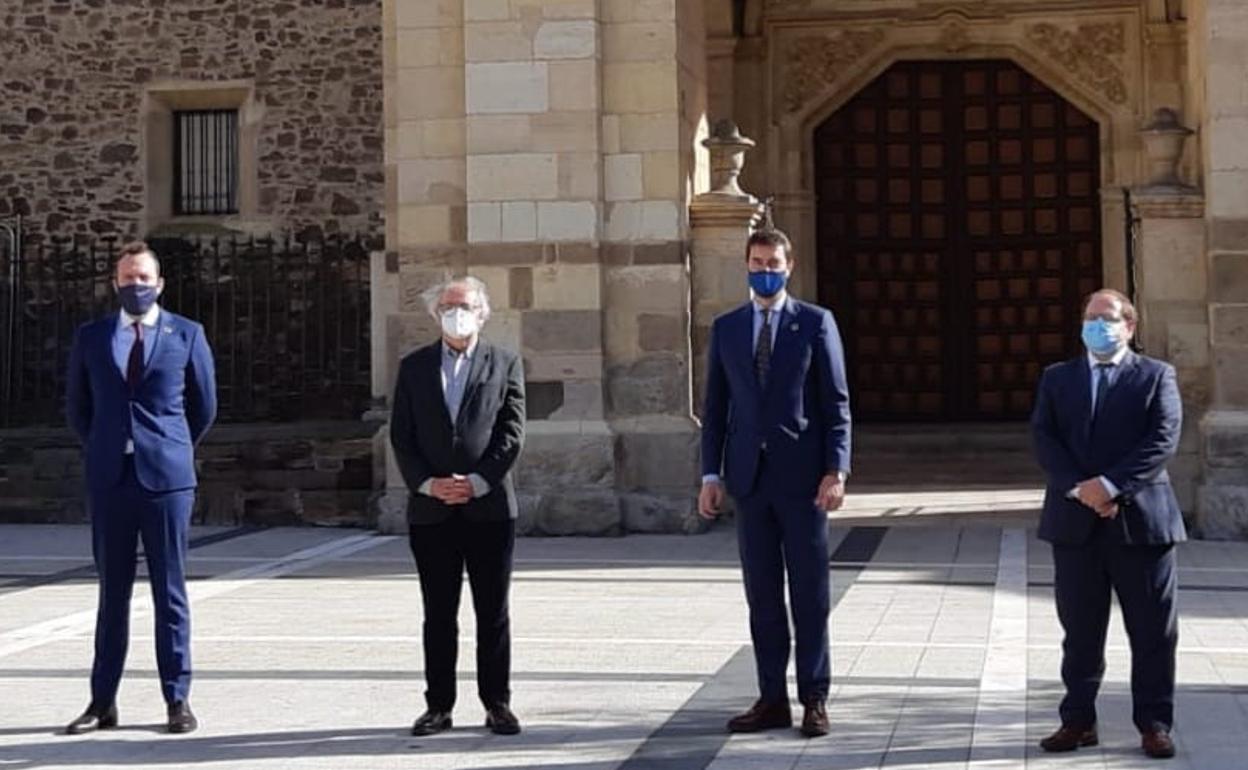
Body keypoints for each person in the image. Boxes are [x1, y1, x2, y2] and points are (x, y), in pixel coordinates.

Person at [698, 227, 851, 738]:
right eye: (757, 262)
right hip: (749, 480)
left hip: (803, 480)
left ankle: (814, 697)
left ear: (790, 265)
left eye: (773, 263)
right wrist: (710, 473)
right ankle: (771, 698)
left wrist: (837, 469)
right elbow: (715, 408)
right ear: (746, 264)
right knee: (762, 596)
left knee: (809, 594)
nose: (765, 271)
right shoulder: (727, 328)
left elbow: (836, 404)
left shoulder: (815, 323)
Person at [64, 241, 217, 735]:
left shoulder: (186, 334)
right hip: (111, 478)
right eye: (128, 279)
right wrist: (108, 446)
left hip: (166, 481)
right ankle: (102, 701)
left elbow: (204, 406)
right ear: (115, 283)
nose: (136, 287)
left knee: (169, 591)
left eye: (144, 279)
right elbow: (77, 408)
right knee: (112, 594)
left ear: (160, 284)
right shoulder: (92, 337)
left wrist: (168, 447)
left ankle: (178, 699)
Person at [1032, 288, 1185, 760]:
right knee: (1079, 631)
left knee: (1153, 632)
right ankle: (1077, 720)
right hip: (1075, 523)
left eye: (1106, 318)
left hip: (1141, 526)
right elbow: (1044, 436)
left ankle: (1155, 724)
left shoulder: (1157, 375)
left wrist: (1112, 486)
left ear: (1129, 326)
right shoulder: (1058, 378)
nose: (1097, 326)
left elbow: (1163, 438)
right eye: (1089, 317)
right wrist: (1082, 489)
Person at [389, 276, 526, 737]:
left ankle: (497, 703)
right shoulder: (414, 367)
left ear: (482, 312)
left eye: (464, 305)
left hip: (488, 509)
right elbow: (402, 437)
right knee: (439, 612)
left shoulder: (504, 363)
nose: (456, 313)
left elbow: (511, 433)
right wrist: (429, 484)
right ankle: (439, 705)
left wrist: (479, 481)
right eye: (448, 306)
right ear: (435, 313)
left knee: (493, 611)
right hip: (432, 511)